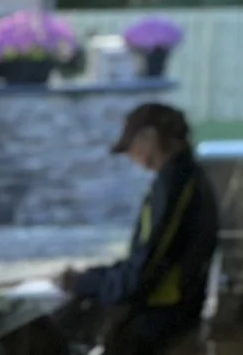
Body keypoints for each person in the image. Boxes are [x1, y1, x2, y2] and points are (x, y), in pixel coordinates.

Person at [58, 101, 220, 355]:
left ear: (151, 137)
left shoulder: (175, 185)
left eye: (131, 145)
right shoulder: (182, 178)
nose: (132, 155)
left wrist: (85, 283)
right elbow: (143, 261)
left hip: (160, 322)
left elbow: (141, 274)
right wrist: (95, 276)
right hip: (172, 315)